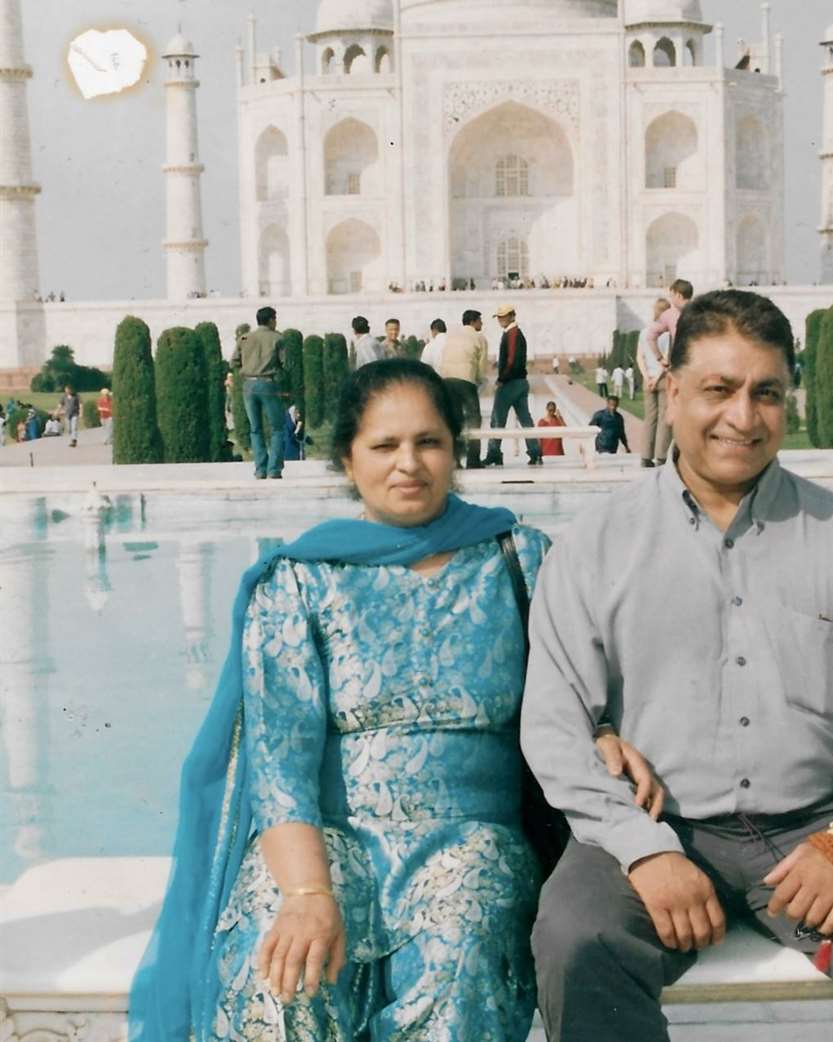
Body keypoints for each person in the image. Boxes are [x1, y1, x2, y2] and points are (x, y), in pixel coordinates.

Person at [129, 358, 660, 1042]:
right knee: (283, 960)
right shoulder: (300, 581)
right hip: (326, 845)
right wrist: (306, 894)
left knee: (468, 934)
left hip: (471, 841)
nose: (408, 463)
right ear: (348, 460)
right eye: (384, 446)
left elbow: (576, 691)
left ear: (454, 451)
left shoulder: (518, 560)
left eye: (428, 442)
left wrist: (603, 732)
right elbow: (279, 766)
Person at [522, 288, 833, 1042]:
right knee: (577, 939)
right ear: (671, 392)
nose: (743, 416)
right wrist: (645, 853)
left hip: (815, 823)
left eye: (765, 393)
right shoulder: (599, 544)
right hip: (658, 823)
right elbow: (554, 721)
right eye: (718, 389)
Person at [231, 307, 288, 480]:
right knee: (277, 428)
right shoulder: (277, 338)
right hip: (268, 384)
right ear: (271, 320)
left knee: (255, 429)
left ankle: (260, 469)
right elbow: (286, 364)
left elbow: (233, 361)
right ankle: (274, 470)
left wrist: (246, 370)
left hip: (249, 385)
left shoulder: (245, 338)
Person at [483, 305, 542, 468]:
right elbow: (511, 357)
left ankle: (494, 454)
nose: (500, 319)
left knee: (497, 419)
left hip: (511, 383)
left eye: (503, 316)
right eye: (499, 317)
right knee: (525, 420)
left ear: (511, 316)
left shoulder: (513, 333)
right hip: (520, 382)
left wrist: (502, 378)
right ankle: (535, 453)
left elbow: (512, 360)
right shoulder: (513, 333)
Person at [439, 309, 488, 470]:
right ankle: (473, 459)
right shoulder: (479, 337)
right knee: (474, 419)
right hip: (466, 379)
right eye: (480, 320)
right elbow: (481, 366)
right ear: (473, 322)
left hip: (447, 379)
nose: (481, 323)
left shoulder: (452, 336)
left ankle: (455, 460)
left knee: (455, 420)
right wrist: (480, 381)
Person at [637, 297, 673, 468]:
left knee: (649, 418)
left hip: (648, 378)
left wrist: (647, 378)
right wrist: (657, 378)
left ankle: (645, 456)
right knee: (664, 418)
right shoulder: (668, 334)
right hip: (663, 378)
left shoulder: (645, 332)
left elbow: (640, 357)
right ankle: (661, 456)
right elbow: (666, 359)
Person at [643, 278, 694, 369]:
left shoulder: (669, 315)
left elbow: (650, 337)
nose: (671, 300)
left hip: (681, 364)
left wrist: (660, 359)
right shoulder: (703, 310)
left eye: (671, 296)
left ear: (678, 295)